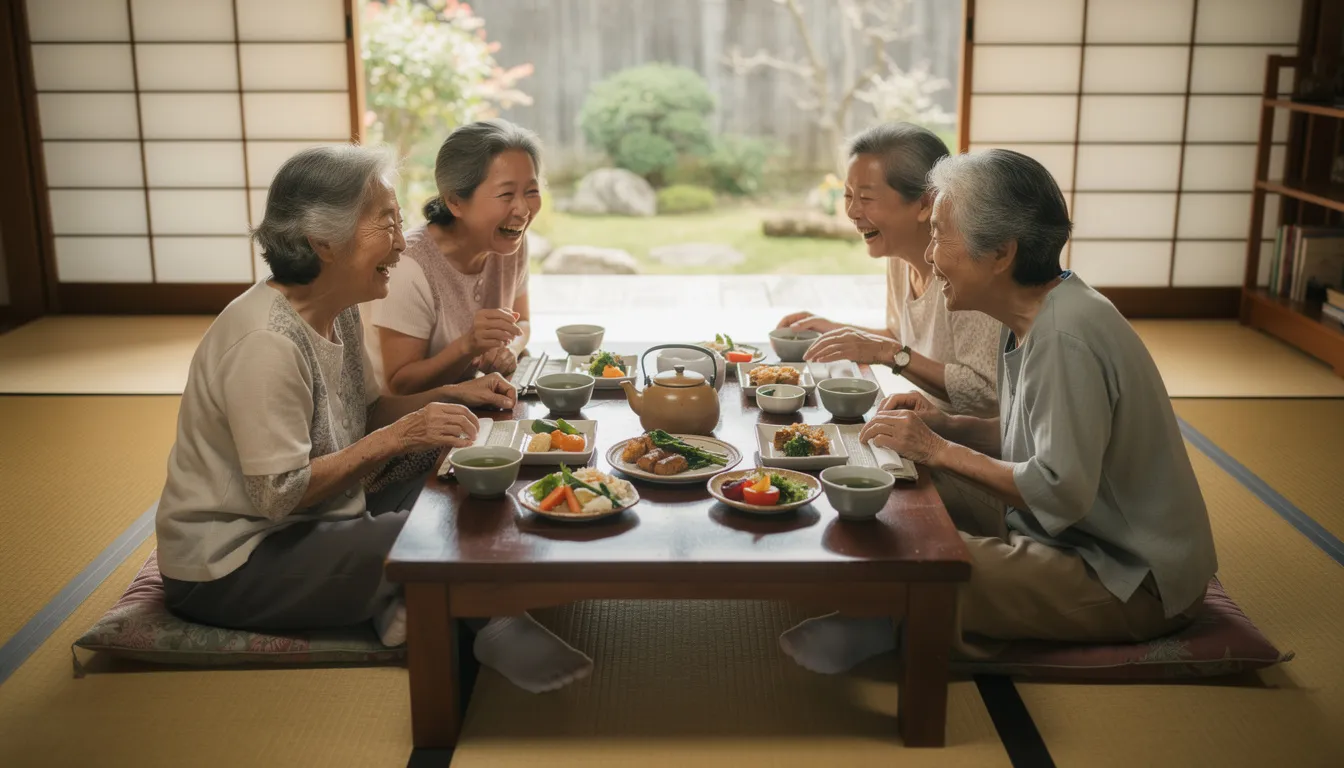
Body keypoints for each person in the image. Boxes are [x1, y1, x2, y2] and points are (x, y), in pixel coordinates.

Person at [155, 145, 591, 694]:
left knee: (460, 480)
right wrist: (404, 432)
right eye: (385, 223)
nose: (400, 242)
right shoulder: (265, 341)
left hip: (322, 517)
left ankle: (397, 600)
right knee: (428, 536)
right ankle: (487, 623)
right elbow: (277, 494)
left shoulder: (336, 309)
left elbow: (366, 413)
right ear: (322, 243)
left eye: (398, 220)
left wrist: (456, 393)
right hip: (235, 559)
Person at [779, 149, 1218, 671]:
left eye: (941, 235)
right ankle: (889, 612)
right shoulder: (1034, 312)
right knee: (897, 484)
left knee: (926, 562)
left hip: (1127, 573)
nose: (932, 254)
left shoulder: (1066, 337)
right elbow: (1028, 436)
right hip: (1067, 535)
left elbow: (1060, 489)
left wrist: (939, 449)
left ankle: (890, 625)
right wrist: (945, 425)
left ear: (1001, 253)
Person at [777, 123, 1000, 417]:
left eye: (867, 198)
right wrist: (835, 330)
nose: (853, 212)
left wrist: (886, 353)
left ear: (925, 202)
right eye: (848, 195)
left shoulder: (967, 270)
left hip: (965, 449)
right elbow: (899, 340)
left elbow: (986, 392)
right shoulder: (899, 254)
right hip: (918, 426)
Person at [368, 119, 539, 395]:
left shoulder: (510, 241)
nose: (523, 210)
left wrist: (509, 349)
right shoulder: (410, 266)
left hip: (473, 411)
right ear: (455, 201)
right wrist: (467, 345)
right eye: (507, 194)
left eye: (531, 191)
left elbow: (523, 323)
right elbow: (399, 384)